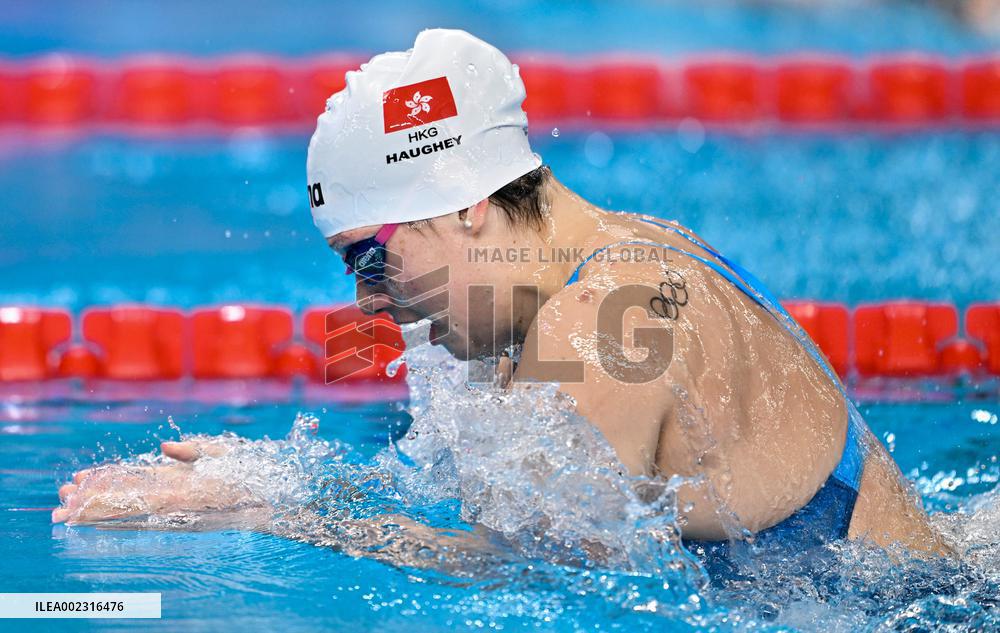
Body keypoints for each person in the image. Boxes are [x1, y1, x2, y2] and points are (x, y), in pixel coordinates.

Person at [53, 29, 949, 576]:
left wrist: (262, 513)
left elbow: (524, 574)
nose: (375, 305)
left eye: (372, 258)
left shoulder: (607, 327)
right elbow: (495, 502)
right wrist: (268, 473)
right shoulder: (615, 251)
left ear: (465, 205)